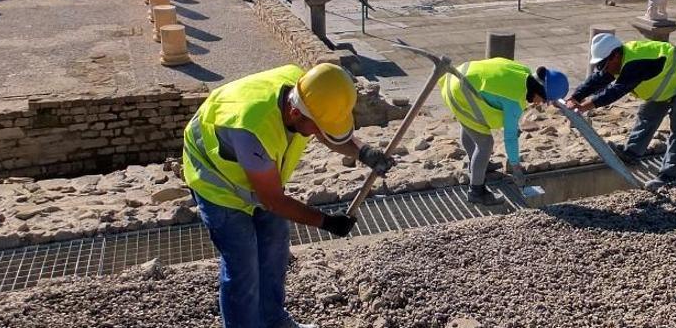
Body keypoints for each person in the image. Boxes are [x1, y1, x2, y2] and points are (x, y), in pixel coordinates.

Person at [182, 64, 395, 328]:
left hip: (257, 172)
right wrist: (326, 222)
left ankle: (274, 321)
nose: (317, 133)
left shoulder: (308, 89)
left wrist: (364, 152)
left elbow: (324, 131)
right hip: (218, 182)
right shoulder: (253, 129)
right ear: (295, 112)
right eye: (315, 127)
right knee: (243, 266)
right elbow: (272, 201)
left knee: (274, 248)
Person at [566, 33, 676, 191]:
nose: (603, 68)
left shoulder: (636, 63)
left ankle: (670, 175)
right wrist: (576, 96)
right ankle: (631, 153)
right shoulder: (620, 59)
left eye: (604, 64)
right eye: (600, 65)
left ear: (615, 55)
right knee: (647, 116)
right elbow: (599, 78)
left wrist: (584, 106)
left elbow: (615, 91)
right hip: (668, 79)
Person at [439, 57, 569, 205]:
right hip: (460, 91)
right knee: (485, 143)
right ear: (540, 91)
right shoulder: (515, 101)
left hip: (457, 75)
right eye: (544, 100)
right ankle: (476, 191)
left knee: (470, 122)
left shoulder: (523, 71)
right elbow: (510, 138)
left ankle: (481, 165)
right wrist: (516, 168)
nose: (542, 103)